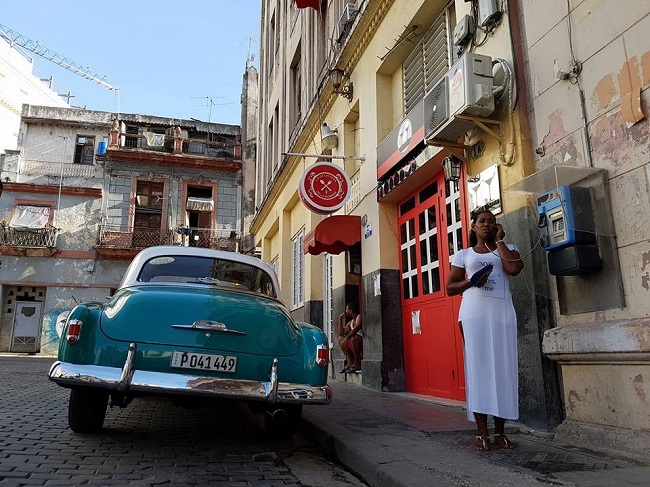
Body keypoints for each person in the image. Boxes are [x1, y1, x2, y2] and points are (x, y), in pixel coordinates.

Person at [445, 209, 524, 451]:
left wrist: (499, 242)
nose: (486, 224)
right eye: (482, 221)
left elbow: (514, 270)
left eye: (491, 221)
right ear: (473, 226)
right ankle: (482, 433)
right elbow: (450, 287)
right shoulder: (464, 254)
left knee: (504, 369)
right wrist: (471, 282)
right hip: (473, 314)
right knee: (478, 369)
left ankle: (500, 432)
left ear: (497, 226)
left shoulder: (507, 248)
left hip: (502, 313)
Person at [337, 302, 363, 373]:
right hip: (354, 344)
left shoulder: (359, 317)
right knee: (340, 339)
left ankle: (357, 363)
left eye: (346, 309)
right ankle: (350, 362)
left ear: (351, 311)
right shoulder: (350, 323)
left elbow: (356, 329)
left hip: (361, 344)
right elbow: (341, 333)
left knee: (355, 338)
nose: (345, 311)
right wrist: (340, 320)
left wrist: (347, 337)